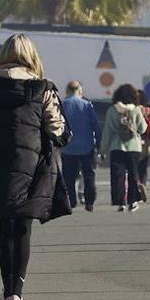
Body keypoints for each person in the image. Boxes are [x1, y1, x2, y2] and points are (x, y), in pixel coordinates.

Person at [0, 34, 71, 300]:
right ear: (31, 56)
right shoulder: (42, 88)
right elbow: (57, 129)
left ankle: (8, 294)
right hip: (32, 166)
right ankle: (17, 293)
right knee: (22, 229)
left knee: (6, 228)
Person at [100, 84, 146, 212]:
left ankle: (120, 202)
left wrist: (103, 150)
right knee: (133, 174)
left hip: (116, 147)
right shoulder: (136, 110)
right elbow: (143, 129)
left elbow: (107, 132)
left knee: (117, 175)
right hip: (134, 147)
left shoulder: (112, 110)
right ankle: (133, 201)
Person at [60, 81, 99, 213]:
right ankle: (89, 202)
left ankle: (71, 201)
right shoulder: (87, 105)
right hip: (86, 146)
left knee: (68, 176)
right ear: (80, 91)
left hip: (68, 147)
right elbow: (96, 126)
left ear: (67, 91)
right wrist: (99, 144)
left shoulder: (62, 105)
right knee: (89, 175)